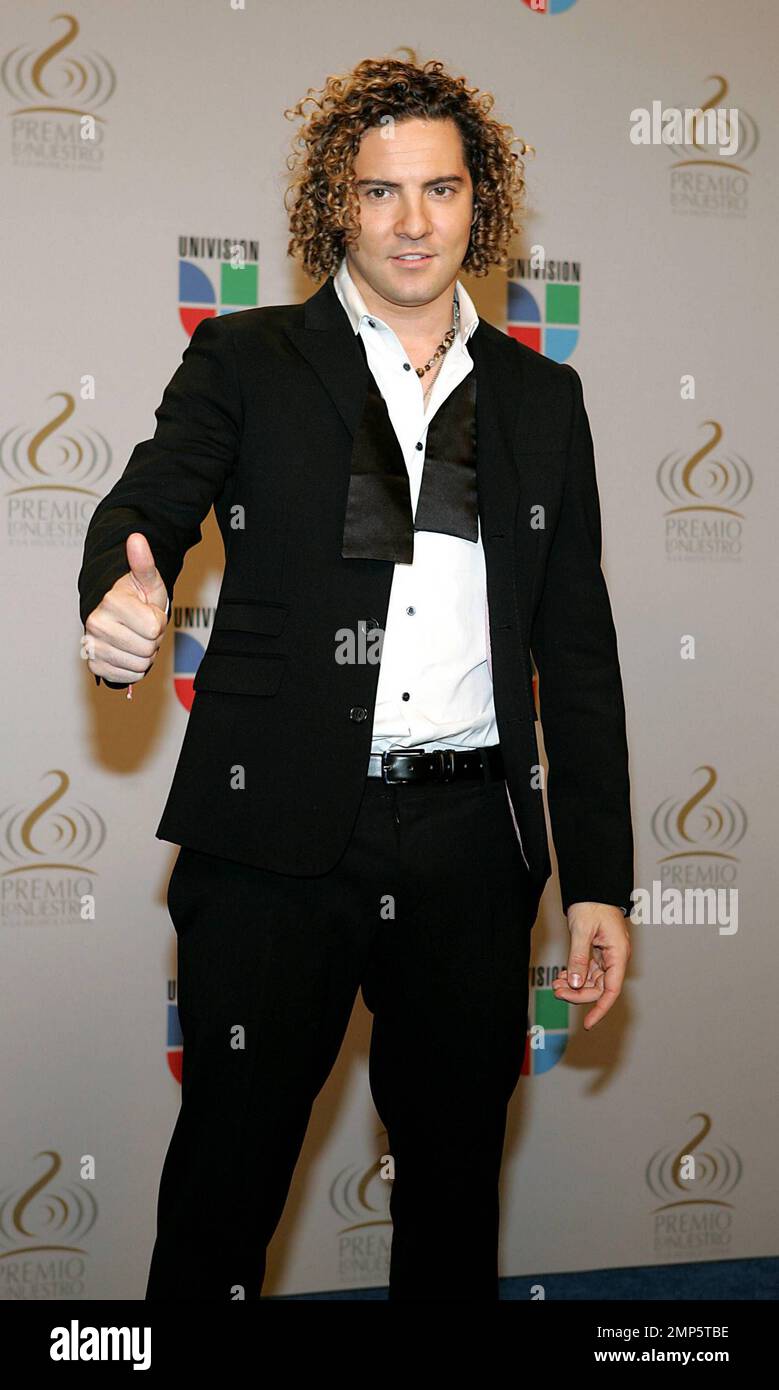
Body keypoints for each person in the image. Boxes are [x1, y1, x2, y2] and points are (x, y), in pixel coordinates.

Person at [78, 56, 633, 1301]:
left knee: (450, 1195)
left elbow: (576, 649)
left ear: (478, 203)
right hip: (273, 840)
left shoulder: (541, 399)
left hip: (468, 845)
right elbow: (145, 507)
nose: (414, 222)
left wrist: (598, 875)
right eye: (380, 193)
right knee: (224, 1187)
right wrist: (120, 592)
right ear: (337, 203)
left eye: (440, 189)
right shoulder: (248, 356)